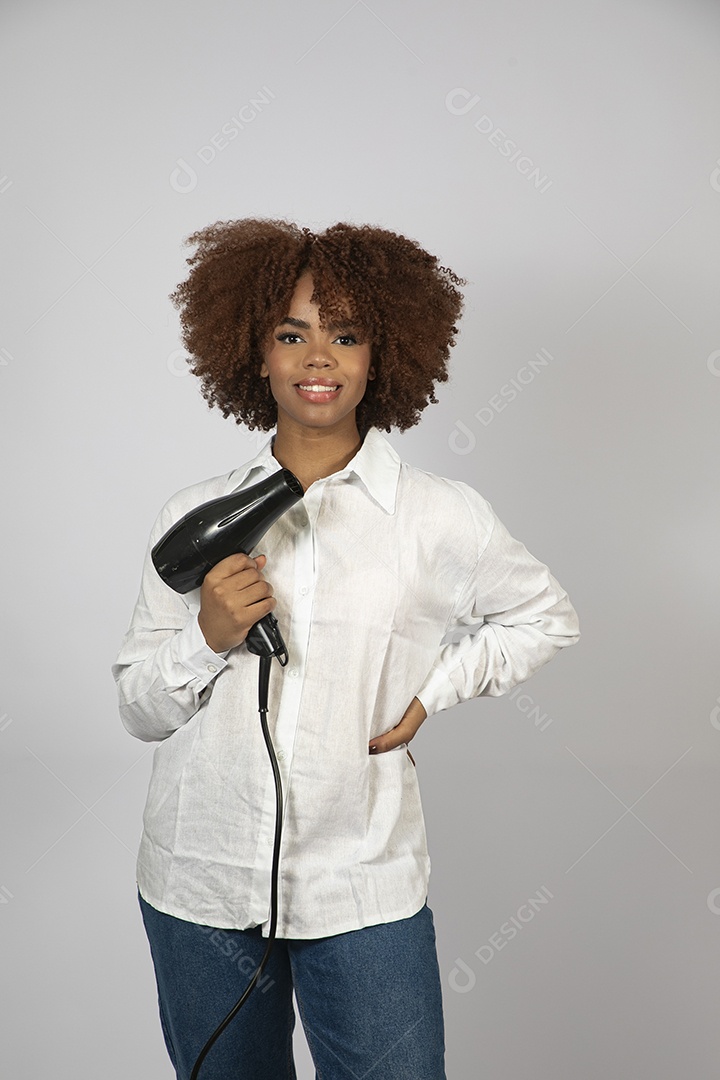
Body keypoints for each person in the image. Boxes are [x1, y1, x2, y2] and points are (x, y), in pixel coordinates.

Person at [112, 219, 580, 1080]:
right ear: (255, 355)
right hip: (200, 884)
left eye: (347, 335)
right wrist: (207, 637)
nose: (319, 357)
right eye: (291, 334)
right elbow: (140, 709)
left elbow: (545, 617)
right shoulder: (193, 514)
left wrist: (432, 692)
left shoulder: (440, 515)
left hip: (363, 884)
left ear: (381, 356)